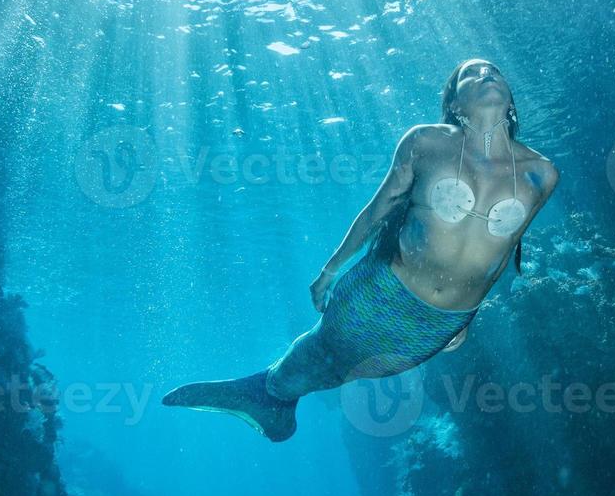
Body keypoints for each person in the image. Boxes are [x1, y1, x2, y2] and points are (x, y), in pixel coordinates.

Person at [163, 59, 560, 441]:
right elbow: (377, 211)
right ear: (454, 104)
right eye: (470, 74)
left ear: (510, 97)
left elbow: (504, 249)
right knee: (325, 348)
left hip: (438, 326)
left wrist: (469, 320)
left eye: (493, 71)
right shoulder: (426, 142)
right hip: (380, 291)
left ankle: (270, 402)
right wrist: (330, 269)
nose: (485, 75)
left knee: (347, 371)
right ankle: (265, 390)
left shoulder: (542, 174)